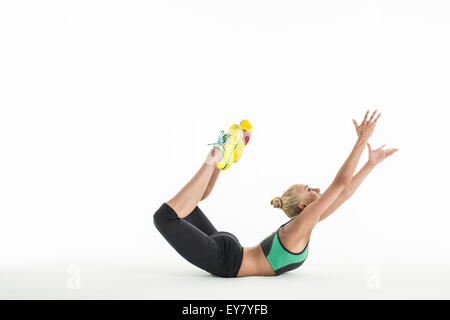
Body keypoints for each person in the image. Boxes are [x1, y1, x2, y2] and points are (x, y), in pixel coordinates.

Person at [153, 111, 398, 277]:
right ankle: (216, 157)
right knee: (166, 216)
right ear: (303, 208)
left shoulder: (304, 224)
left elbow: (343, 193)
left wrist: (370, 164)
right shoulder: (301, 225)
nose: (319, 190)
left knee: (188, 207)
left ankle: (220, 161)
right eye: (311, 190)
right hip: (226, 259)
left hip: (228, 253)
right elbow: (341, 185)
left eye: (311, 188)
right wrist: (361, 141)